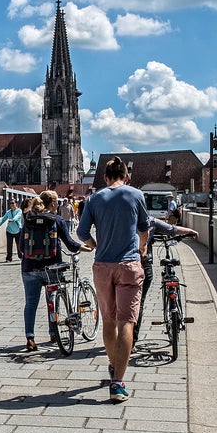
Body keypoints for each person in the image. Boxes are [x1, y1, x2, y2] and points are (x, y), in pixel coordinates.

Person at [76, 156, 150, 403]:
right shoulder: (135, 194)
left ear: (105, 178)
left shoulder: (95, 198)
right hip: (129, 265)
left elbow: (81, 232)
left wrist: (94, 245)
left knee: (108, 321)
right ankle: (117, 383)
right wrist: (143, 248)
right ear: (126, 176)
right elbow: (144, 228)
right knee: (126, 322)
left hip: (103, 266)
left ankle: (112, 364)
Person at [19, 190, 92, 352]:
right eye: (56, 202)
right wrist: (89, 248)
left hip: (29, 268)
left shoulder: (28, 220)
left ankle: (30, 338)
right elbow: (71, 244)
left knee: (31, 303)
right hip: (52, 268)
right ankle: (54, 333)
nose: (58, 204)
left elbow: (20, 248)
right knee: (53, 300)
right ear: (52, 203)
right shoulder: (57, 220)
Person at [134, 219, 198, 348]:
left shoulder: (121, 219)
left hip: (118, 263)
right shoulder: (149, 221)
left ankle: (118, 338)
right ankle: (131, 343)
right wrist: (190, 231)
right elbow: (172, 229)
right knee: (138, 302)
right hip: (143, 263)